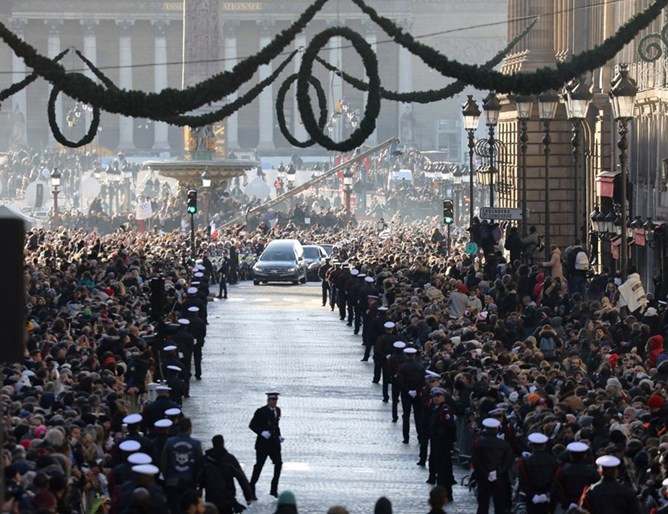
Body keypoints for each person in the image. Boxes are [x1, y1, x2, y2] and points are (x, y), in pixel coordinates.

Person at [200, 435, 252, 514]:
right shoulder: (229, 459)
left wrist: (199, 493)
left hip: (211, 497)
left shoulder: (205, 460)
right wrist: (248, 496)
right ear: (223, 443)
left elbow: (199, 478)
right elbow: (241, 477)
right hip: (228, 499)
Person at [471, 418, 513, 514]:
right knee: (499, 506)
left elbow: (475, 460)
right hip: (499, 477)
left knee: (483, 505)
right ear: (497, 429)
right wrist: (498, 472)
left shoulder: (478, 443)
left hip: (483, 477)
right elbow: (507, 461)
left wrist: (486, 473)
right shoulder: (504, 444)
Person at [160, 418, 203, 509]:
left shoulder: (169, 442)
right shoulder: (196, 444)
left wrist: (167, 477)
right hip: (189, 482)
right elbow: (199, 465)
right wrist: (197, 481)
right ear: (190, 428)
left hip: (172, 481)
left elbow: (163, 463)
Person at [249, 392, 284, 498]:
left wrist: (279, 436)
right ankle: (251, 487)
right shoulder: (261, 411)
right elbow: (252, 425)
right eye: (272, 400)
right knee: (259, 466)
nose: (274, 402)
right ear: (268, 401)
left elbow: (275, 425)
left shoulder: (277, 411)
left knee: (278, 464)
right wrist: (261, 432)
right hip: (262, 445)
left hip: (274, 444)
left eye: (275, 400)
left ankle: (274, 489)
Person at [516, 433, 558, 514]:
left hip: (531, 497)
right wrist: (547, 494)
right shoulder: (553, 461)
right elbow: (555, 480)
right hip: (548, 496)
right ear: (544, 445)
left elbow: (523, 481)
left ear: (531, 445)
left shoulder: (525, 461)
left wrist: (532, 495)